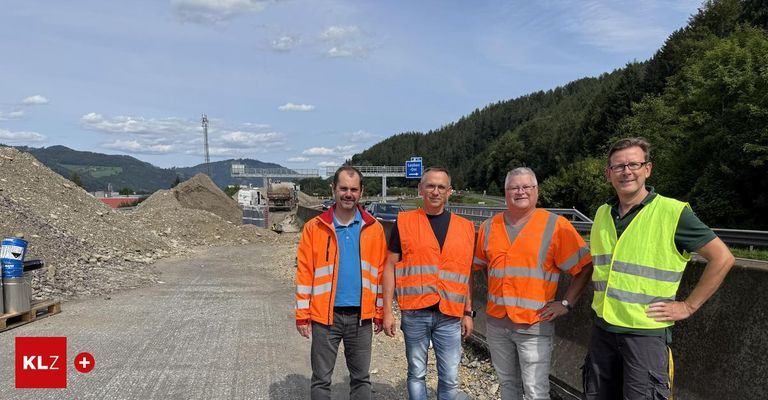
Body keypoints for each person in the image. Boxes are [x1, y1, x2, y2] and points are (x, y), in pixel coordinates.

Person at [584, 137, 735, 400]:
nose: (626, 171)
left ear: (647, 169)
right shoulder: (602, 213)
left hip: (645, 335)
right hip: (603, 330)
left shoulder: (673, 213)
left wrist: (688, 306)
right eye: (618, 166)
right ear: (609, 174)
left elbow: (722, 258)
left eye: (633, 164)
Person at [473, 167, 593, 400]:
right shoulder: (489, 227)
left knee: (536, 391)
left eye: (526, 187)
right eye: (514, 187)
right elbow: (483, 265)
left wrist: (566, 303)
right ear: (506, 192)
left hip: (535, 324)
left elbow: (585, 266)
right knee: (508, 384)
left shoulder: (555, 226)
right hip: (497, 323)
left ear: (536, 191)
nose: (520, 192)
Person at [382, 167, 475, 400]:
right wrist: (387, 312)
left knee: (450, 377)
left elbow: (465, 274)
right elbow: (390, 266)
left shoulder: (465, 227)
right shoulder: (404, 222)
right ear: (420, 189)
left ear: (449, 191)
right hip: (415, 312)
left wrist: (468, 312)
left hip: (450, 315)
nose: (435, 191)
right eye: (430, 186)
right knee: (416, 373)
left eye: (441, 187)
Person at [295, 166, 388, 400]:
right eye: (343, 188)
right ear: (333, 189)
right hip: (325, 318)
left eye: (354, 189)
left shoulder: (374, 229)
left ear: (361, 192)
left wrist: (379, 311)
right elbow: (305, 274)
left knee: (361, 380)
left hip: (361, 318)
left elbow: (379, 275)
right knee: (321, 380)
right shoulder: (314, 228)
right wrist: (302, 314)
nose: (349, 194)